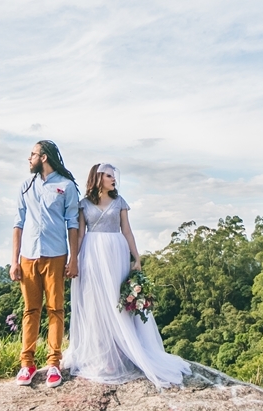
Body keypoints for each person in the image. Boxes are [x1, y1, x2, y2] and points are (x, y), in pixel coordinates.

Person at [62, 163, 190, 387]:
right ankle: (102, 354)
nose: (114, 179)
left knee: (116, 300)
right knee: (94, 302)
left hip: (116, 252)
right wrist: (74, 260)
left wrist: (136, 257)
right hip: (92, 254)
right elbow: (81, 235)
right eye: (109, 176)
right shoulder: (83, 204)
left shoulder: (119, 202)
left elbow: (127, 231)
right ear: (99, 178)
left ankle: (122, 353)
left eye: (114, 176)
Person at [11, 140, 80, 388]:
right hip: (28, 256)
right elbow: (18, 224)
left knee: (55, 310)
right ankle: (26, 365)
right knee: (31, 311)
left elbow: (72, 223)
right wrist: (14, 261)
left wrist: (74, 258)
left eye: (32, 154)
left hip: (56, 255)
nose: (29, 158)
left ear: (44, 157)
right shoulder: (26, 186)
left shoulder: (66, 186)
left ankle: (53, 364)